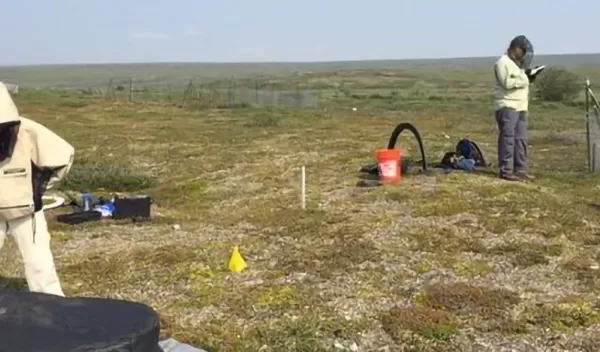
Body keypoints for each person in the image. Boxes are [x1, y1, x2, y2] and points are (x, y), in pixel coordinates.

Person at [0, 82, 74, 296]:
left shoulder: (27, 130)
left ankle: (53, 309)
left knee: (39, 263)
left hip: (26, 211)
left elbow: (63, 156)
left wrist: (38, 187)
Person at [492, 35, 542, 181]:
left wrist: (529, 77)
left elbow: (519, 82)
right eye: (523, 50)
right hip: (507, 105)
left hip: (520, 106)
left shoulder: (518, 65)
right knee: (508, 138)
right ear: (516, 48)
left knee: (520, 139)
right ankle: (506, 170)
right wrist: (525, 78)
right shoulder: (502, 63)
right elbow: (507, 83)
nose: (525, 54)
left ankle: (520, 169)